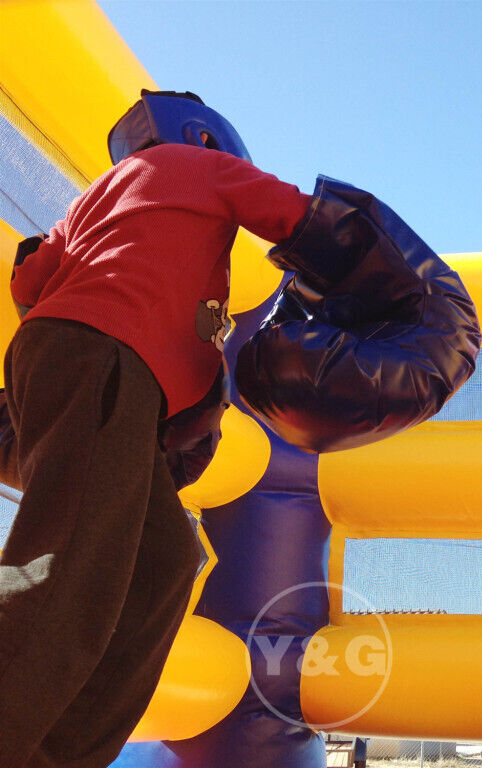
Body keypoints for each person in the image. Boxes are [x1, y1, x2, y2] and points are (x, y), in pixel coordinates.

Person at [0, 90, 313, 768]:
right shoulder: (202, 167)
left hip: (78, 360)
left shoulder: (96, 198)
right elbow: (293, 213)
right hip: (106, 355)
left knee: (164, 562)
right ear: (205, 137)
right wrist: (377, 266)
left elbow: (30, 280)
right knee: (69, 559)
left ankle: (53, 754)